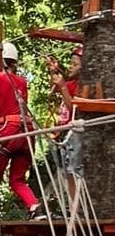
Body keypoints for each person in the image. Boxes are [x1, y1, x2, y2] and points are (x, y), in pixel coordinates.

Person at [0, 40, 40, 215]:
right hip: (27, 133)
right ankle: (35, 206)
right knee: (17, 180)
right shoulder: (21, 81)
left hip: (8, 130)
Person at [47, 43, 84, 198]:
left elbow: (72, 106)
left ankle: (79, 203)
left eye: (75, 64)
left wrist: (62, 86)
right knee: (65, 171)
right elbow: (53, 89)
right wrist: (54, 71)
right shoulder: (70, 82)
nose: (70, 67)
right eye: (70, 63)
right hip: (63, 132)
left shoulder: (80, 85)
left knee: (73, 169)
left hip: (73, 131)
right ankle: (72, 204)